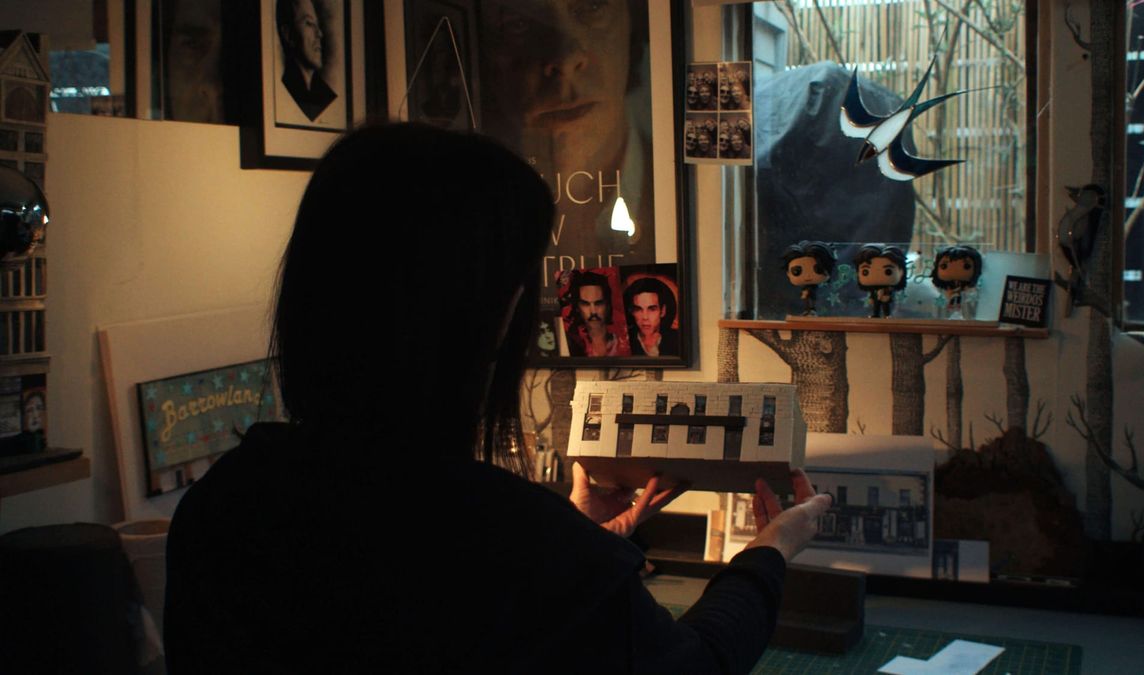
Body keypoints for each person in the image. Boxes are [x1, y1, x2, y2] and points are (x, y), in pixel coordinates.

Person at [164, 123, 832, 673]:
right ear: (493, 316)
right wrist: (769, 551)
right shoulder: (522, 549)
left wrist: (574, 537)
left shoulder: (224, 503)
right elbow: (696, 665)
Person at [478, 0, 656, 300]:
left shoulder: (684, 204)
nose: (565, 56)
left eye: (591, 7)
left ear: (633, 24)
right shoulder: (463, 226)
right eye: (517, 23)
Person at [276, 0, 336, 121]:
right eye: (309, 23)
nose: (319, 34)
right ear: (288, 34)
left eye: (317, 25)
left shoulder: (325, 95)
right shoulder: (285, 89)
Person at [563, 270, 630, 357]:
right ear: (577, 308)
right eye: (585, 304)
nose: (593, 311)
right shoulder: (571, 345)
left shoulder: (624, 343)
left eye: (598, 303)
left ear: (608, 305)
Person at [623, 275, 679, 356]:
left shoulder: (678, 340)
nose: (645, 317)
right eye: (638, 309)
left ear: (662, 311)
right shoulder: (623, 342)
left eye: (652, 309)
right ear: (631, 311)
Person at [855, 243, 907, 318]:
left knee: (885, 306)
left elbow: (889, 292)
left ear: (901, 272)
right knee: (876, 307)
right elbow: (872, 293)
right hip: (877, 299)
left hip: (884, 298)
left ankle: (887, 315)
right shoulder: (873, 289)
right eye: (865, 271)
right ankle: (876, 314)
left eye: (888, 271)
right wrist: (871, 298)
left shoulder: (887, 288)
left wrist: (887, 295)